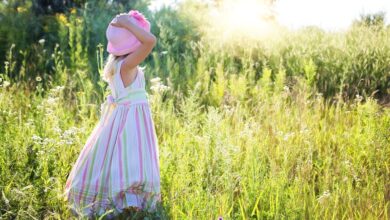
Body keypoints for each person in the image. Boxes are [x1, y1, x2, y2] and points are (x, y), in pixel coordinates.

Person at [63, 10, 161, 218]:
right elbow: (150, 41)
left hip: (121, 117)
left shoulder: (117, 64)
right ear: (133, 41)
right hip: (132, 120)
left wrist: (125, 25)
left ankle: (124, 198)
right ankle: (129, 200)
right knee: (131, 159)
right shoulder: (127, 65)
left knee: (113, 158)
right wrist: (127, 23)